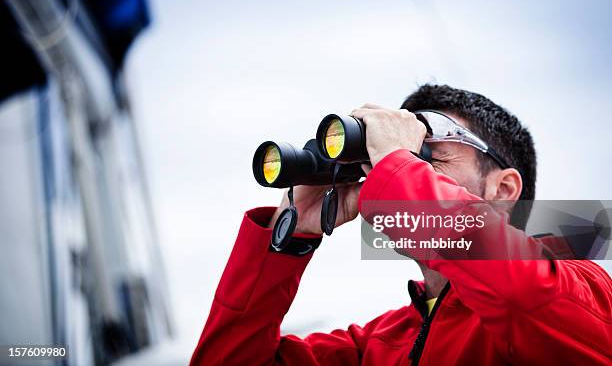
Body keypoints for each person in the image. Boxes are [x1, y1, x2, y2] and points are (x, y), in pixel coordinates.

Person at [190, 84, 612, 365]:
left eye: (426, 156)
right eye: (386, 159)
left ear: (502, 189)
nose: (387, 173)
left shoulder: (584, 288)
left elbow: (516, 293)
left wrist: (397, 165)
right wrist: (291, 233)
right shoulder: (378, 345)